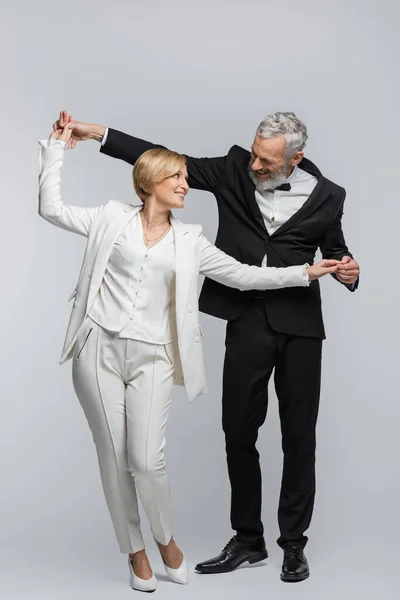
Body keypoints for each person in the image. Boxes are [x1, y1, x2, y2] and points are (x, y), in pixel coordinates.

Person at [53, 110, 360, 583]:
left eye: (267, 161)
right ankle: (248, 539)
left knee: (300, 437)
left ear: (295, 159)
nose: (256, 165)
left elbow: (336, 250)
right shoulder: (233, 168)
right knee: (238, 431)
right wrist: (97, 133)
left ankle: (293, 545)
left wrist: (348, 270)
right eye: (255, 154)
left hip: (299, 324)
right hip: (245, 318)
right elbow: (160, 161)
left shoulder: (329, 196)